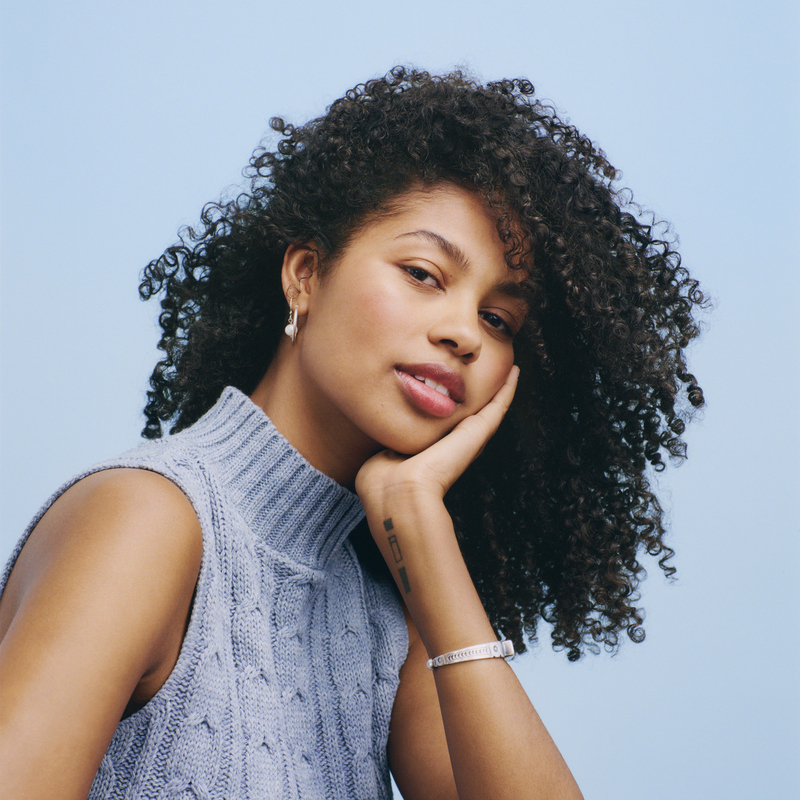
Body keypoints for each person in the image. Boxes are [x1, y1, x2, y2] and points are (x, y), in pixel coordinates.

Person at [0, 66, 705, 799]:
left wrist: (423, 542)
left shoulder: (383, 616)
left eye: (499, 321)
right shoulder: (145, 522)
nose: (463, 331)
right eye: (424, 273)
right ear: (305, 274)